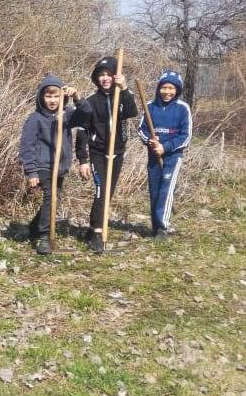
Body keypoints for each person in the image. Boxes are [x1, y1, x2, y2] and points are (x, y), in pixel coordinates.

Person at [18, 75, 89, 255]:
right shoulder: (35, 119)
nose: (52, 100)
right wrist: (31, 171)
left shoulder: (67, 114)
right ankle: (43, 235)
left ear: (62, 97)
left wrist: (77, 97)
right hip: (43, 166)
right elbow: (27, 145)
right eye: (48, 96)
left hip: (60, 167)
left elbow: (87, 113)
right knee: (52, 198)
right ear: (41, 97)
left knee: (54, 198)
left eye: (56, 96)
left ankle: (34, 227)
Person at [78, 56, 139, 253]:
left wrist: (125, 89)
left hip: (117, 153)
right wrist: (83, 160)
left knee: (107, 193)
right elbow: (82, 131)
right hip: (97, 153)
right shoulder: (90, 102)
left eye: (109, 75)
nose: (105, 78)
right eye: (101, 75)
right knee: (100, 190)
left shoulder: (121, 98)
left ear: (115, 77)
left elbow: (132, 112)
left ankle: (91, 227)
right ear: (96, 79)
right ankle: (97, 232)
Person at [138, 70, 191, 240]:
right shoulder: (150, 107)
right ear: (159, 88)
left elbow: (186, 135)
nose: (167, 91)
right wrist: (151, 142)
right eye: (164, 87)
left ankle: (162, 227)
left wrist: (165, 147)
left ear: (177, 90)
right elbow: (142, 130)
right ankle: (155, 226)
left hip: (173, 157)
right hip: (153, 157)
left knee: (166, 190)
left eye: (171, 88)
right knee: (154, 190)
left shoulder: (183, 108)